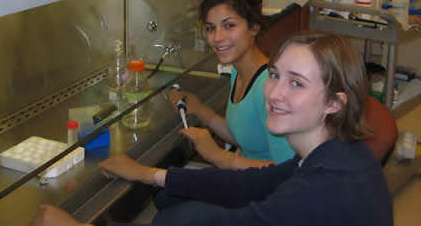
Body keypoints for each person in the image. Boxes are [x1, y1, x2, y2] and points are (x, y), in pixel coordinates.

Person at [30, 31, 393, 226]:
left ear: (334, 102)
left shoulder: (320, 191)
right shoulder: (337, 156)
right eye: (275, 75)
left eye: (297, 83)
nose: (275, 93)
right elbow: (251, 184)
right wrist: (151, 175)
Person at [167, 0, 293, 169]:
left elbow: (285, 171)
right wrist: (201, 111)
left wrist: (218, 156)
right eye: (211, 28)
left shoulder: (270, 87)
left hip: (265, 193)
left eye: (229, 25)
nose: (217, 37)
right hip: (245, 182)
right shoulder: (237, 71)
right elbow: (245, 137)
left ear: (253, 28)